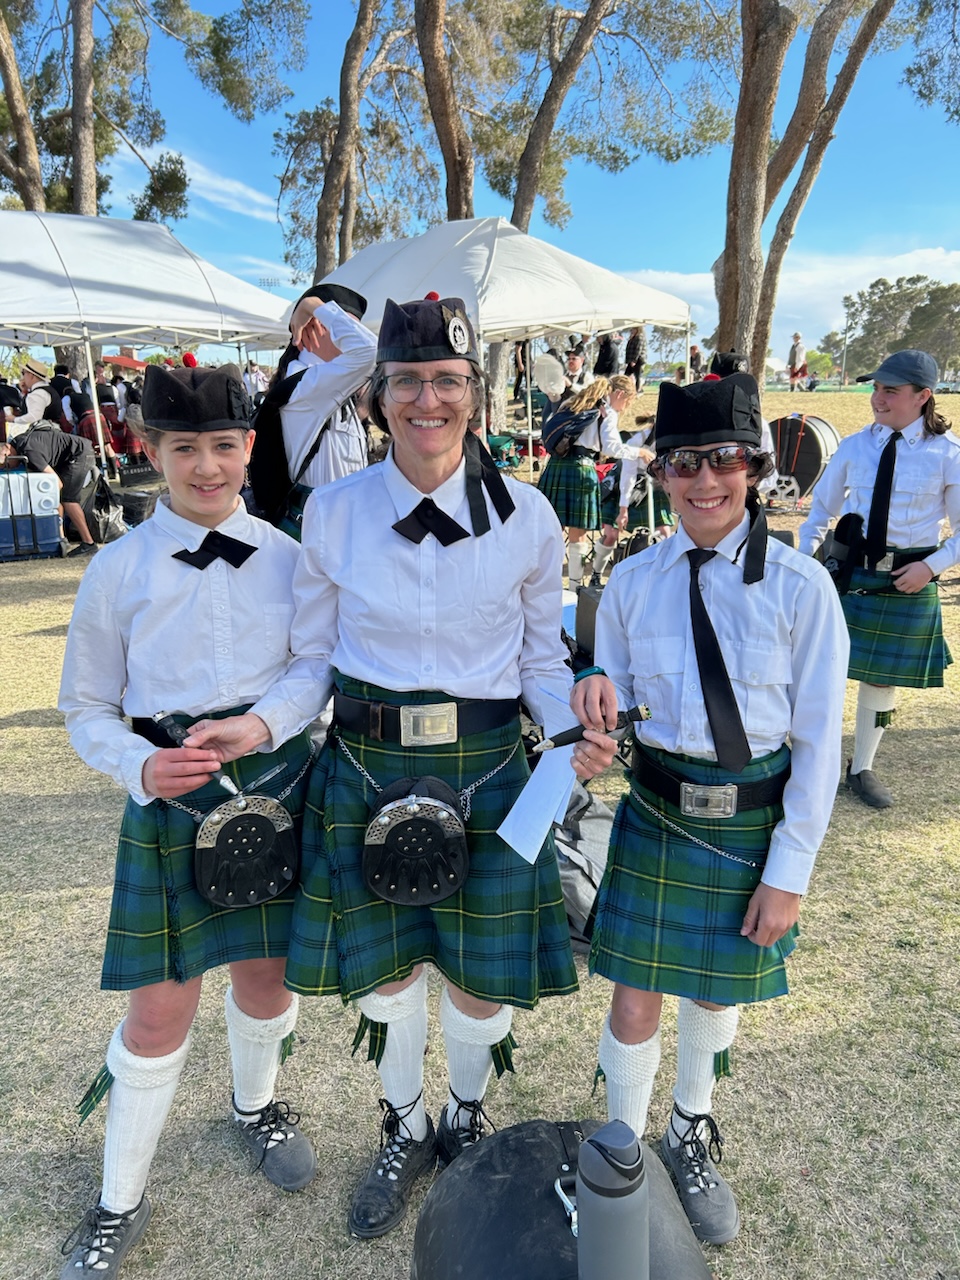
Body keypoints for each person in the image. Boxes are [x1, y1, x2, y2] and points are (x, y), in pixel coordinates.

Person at [187, 294, 617, 1241]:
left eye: (450, 382)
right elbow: (311, 662)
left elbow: (543, 660)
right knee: (385, 978)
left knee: (476, 975)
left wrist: (573, 728)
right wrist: (259, 727)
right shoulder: (330, 513)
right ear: (380, 397)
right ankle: (404, 1120)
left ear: (476, 392)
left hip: (493, 763)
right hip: (367, 761)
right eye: (411, 382)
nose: (431, 400)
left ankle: (465, 1115)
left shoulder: (531, 518)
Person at [56, 363, 327, 1280]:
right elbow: (85, 708)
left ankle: (256, 1106)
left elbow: (315, 666)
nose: (206, 466)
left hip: (277, 782)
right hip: (172, 796)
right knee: (161, 1008)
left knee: (265, 974)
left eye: (223, 445)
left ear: (249, 448)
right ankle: (117, 1200)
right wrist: (139, 764)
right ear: (151, 451)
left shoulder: (291, 558)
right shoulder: (117, 567)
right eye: (184, 448)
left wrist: (264, 723)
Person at [572, 373, 848, 1247]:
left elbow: (817, 748)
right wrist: (592, 722)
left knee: (715, 995)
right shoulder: (629, 585)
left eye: (725, 460)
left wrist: (790, 873)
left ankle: (689, 1128)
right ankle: (621, 1146)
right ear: (659, 472)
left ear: (757, 468)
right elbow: (605, 697)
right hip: (657, 817)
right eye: (685, 462)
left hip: (748, 826)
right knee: (633, 994)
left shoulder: (803, 590)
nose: (705, 481)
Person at [798, 349, 960, 808]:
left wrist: (932, 567)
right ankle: (816, 762)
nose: (877, 398)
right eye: (875, 387)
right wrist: (805, 562)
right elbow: (821, 511)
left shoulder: (947, 455)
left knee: (881, 680)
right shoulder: (854, 446)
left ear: (923, 396)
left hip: (906, 577)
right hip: (849, 575)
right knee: (823, 669)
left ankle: (861, 768)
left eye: (890, 390)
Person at [248, 283, 377, 538]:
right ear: (315, 326)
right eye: (345, 326)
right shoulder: (306, 387)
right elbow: (371, 352)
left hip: (341, 530)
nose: (352, 334)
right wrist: (312, 306)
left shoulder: (326, 386)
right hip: (320, 536)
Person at [538, 377, 645, 588]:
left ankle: (545, 581)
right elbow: (611, 448)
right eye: (626, 403)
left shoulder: (575, 403)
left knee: (551, 529)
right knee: (579, 533)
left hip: (556, 466)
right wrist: (638, 452)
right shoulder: (606, 412)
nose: (623, 408)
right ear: (620, 394)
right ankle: (575, 586)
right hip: (582, 469)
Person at [1, 417, 99, 553]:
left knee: (68, 499)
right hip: (68, 455)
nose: (8, 468)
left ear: (7, 450)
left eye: (6, 464)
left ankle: (89, 543)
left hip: (79, 453)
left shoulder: (29, 452)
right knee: (57, 498)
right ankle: (61, 539)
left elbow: (56, 483)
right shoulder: (19, 442)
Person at [624, 326, 646, 391]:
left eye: (633, 329)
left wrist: (634, 360)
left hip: (638, 360)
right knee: (626, 376)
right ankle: (626, 389)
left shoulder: (639, 338)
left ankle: (638, 390)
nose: (631, 330)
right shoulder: (632, 338)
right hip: (631, 360)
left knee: (637, 376)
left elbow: (638, 350)